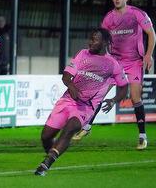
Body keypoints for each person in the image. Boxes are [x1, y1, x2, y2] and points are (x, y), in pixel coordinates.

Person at [34, 28, 128, 176]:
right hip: (67, 100)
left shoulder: (112, 64)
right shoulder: (82, 54)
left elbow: (124, 87)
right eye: (90, 39)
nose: (90, 42)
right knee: (46, 136)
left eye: (94, 39)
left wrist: (114, 100)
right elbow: (66, 76)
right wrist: (71, 85)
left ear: (104, 42)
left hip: (86, 107)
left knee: (70, 129)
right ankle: (53, 154)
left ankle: (46, 164)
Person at [72, 0, 156, 150]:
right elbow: (102, 40)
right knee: (98, 93)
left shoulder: (137, 13)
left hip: (134, 62)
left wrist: (148, 55)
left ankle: (142, 136)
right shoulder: (108, 18)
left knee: (135, 97)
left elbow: (151, 34)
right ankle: (87, 126)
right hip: (115, 63)